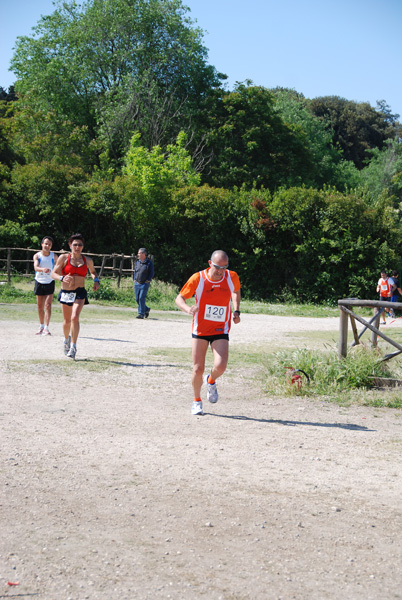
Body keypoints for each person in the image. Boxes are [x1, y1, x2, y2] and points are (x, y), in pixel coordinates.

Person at [175, 250, 241, 415]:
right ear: (210, 263)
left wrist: (237, 310)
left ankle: (210, 381)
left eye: (224, 267)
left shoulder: (231, 277)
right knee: (198, 368)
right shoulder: (198, 278)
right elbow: (179, 298)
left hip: (221, 328)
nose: (221, 271)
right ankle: (197, 401)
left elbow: (236, 290)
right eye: (218, 267)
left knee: (221, 366)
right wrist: (188, 309)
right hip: (201, 330)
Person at [51, 233, 100, 359]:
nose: (77, 247)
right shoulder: (64, 258)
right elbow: (53, 274)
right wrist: (62, 278)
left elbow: (93, 272)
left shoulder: (87, 260)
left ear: (83, 246)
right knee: (67, 321)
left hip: (80, 291)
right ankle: (66, 340)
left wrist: (96, 280)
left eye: (80, 245)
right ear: (70, 245)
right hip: (66, 292)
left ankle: (73, 346)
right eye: (75, 244)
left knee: (74, 317)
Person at [33, 236, 55, 335]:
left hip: (50, 281)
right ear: (42, 244)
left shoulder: (54, 256)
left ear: (51, 246)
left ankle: (46, 327)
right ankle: (41, 326)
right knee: (40, 306)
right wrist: (42, 269)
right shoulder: (37, 256)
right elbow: (36, 267)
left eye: (49, 244)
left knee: (48, 305)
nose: (47, 246)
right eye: (46, 243)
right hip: (39, 281)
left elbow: (60, 266)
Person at [133, 248, 154, 319]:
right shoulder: (138, 262)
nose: (138, 255)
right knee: (137, 299)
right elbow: (135, 271)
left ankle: (141, 314)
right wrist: (134, 279)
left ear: (143, 254)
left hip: (144, 284)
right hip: (137, 283)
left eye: (139, 253)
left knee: (141, 298)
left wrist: (148, 280)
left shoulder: (149, 263)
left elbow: (151, 272)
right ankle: (146, 309)